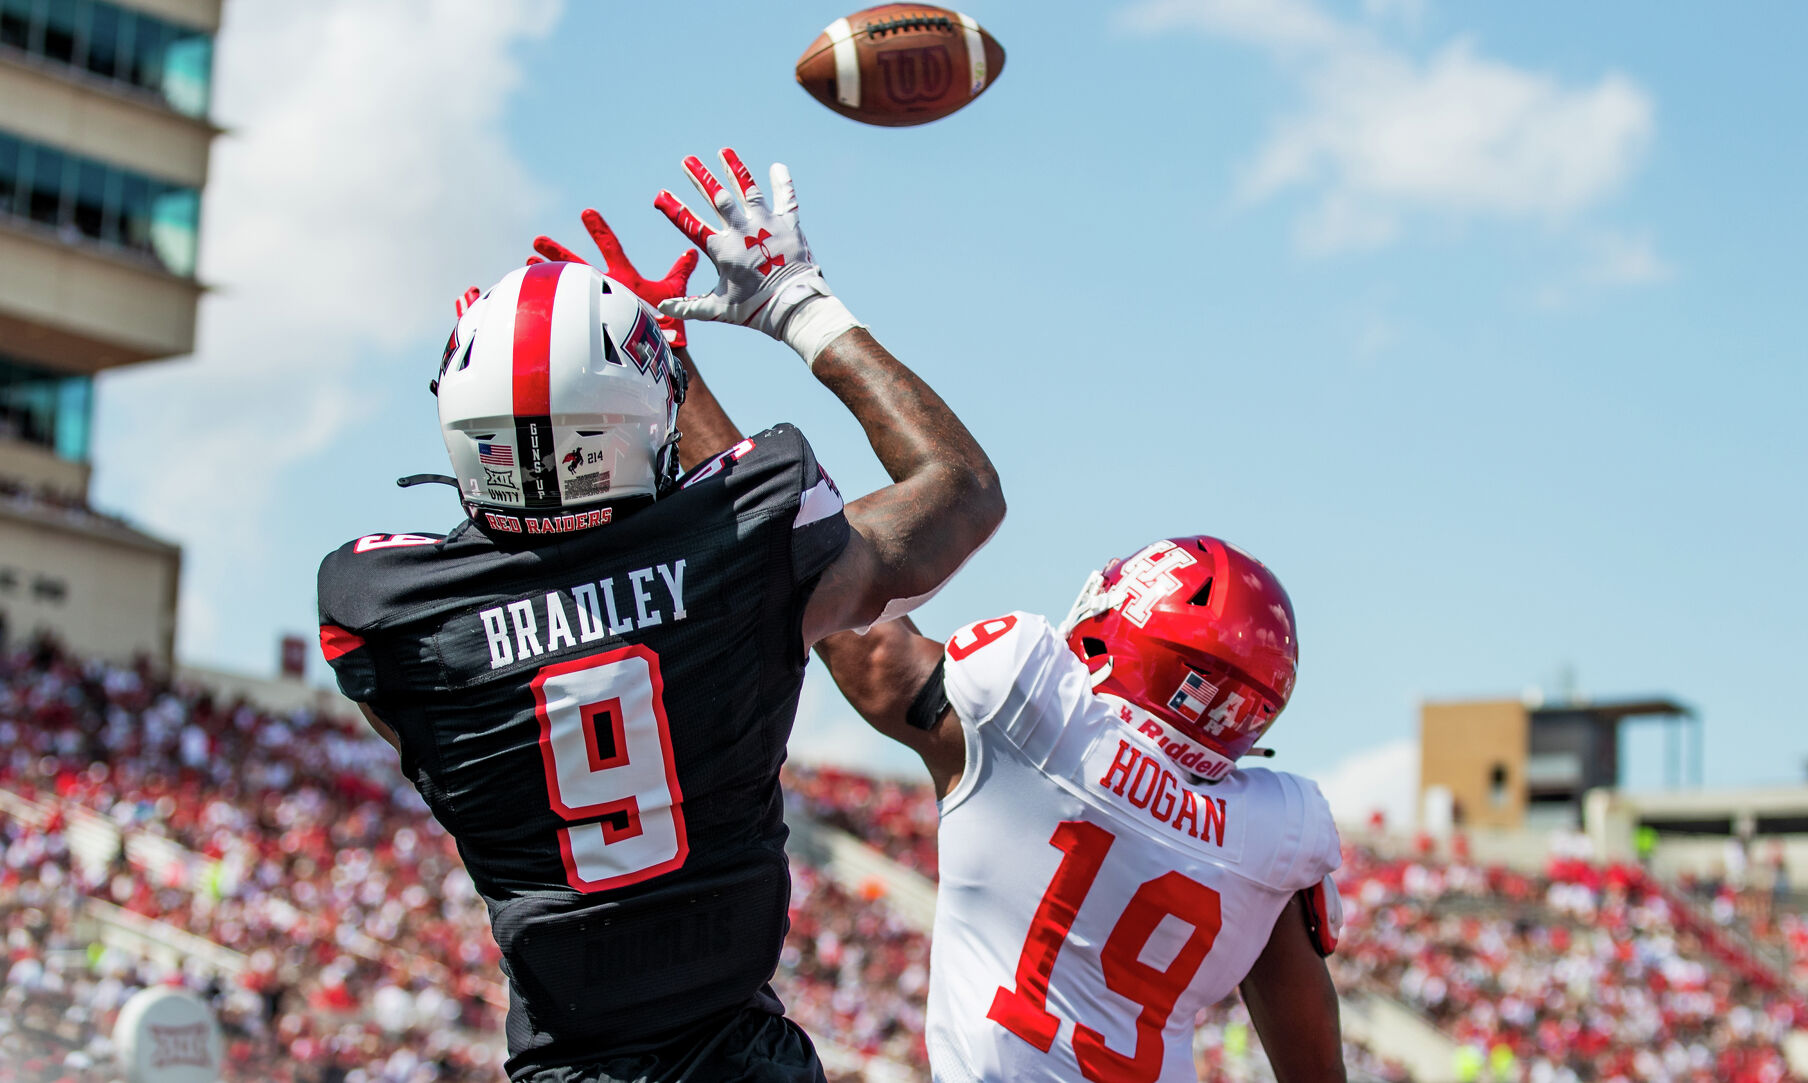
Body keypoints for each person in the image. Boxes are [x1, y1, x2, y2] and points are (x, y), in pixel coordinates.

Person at [315, 148, 1003, 1083]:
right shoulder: (747, 546)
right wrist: (793, 301)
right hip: (742, 1055)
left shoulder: (385, 611)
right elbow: (958, 492)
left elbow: (517, 604)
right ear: (646, 415)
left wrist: (538, 409)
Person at [809, 540, 1346, 1083]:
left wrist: (785, 499)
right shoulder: (1277, 833)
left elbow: (866, 641)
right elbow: (1318, 1072)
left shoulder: (1042, 725)